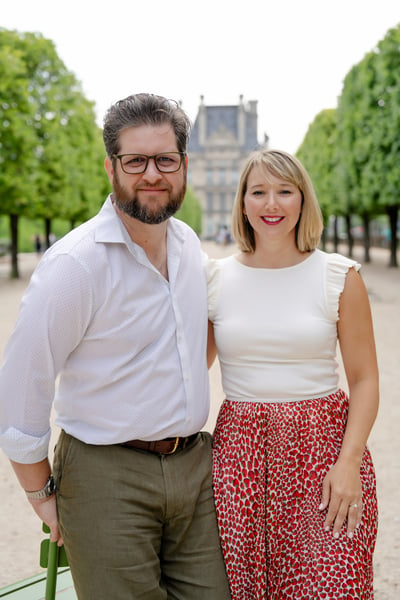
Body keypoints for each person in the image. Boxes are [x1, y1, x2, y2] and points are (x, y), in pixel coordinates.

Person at [0, 93, 231, 600]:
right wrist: (41, 495)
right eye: (136, 161)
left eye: (165, 159)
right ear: (112, 167)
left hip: (196, 468)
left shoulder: (191, 247)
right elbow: (23, 386)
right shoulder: (75, 265)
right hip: (106, 477)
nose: (153, 173)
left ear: (184, 165)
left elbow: (195, 345)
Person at [207, 149, 379, 599]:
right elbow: (182, 373)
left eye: (285, 191)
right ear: (242, 202)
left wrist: (349, 464)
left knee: (334, 585)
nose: (271, 204)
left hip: (324, 453)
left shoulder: (339, 276)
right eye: (258, 192)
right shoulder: (214, 280)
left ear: (303, 200)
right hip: (241, 457)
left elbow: (364, 380)